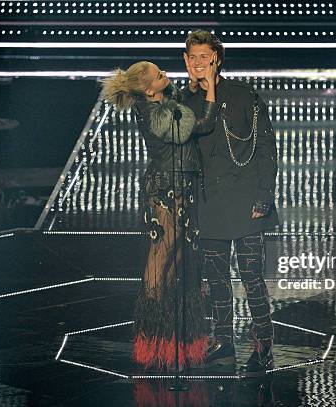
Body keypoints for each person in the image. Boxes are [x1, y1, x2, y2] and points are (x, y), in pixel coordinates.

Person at [101, 59, 219, 371]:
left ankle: (168, 345)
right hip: (167, 191)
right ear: (150, 88)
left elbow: (177, 106)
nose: (165, 75)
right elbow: (197, 126)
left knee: (175, 262)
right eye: (159, 75)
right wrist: (211, 94)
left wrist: (193, 88)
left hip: (182, 188)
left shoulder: (160, 102)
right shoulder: (151, 111)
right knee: (160, 262)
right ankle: (150, 343)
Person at [181, 30, 279, 377]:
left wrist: (264, 196)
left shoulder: (242, 94)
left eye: (204, 56)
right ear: (185, 60)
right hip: (208, 205)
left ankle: (263, 343)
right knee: (216, 279)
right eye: (192, 57)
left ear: (217, 58)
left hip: (246, 201)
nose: (198, 63)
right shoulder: (183, 103)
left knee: (251, 275)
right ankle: (222, 341)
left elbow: (267, 148)